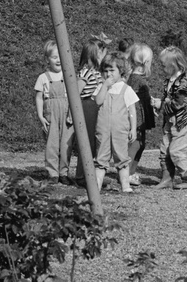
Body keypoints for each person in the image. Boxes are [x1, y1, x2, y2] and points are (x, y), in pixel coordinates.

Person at [155, 45, 187, 190]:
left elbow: (178, 103)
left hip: (184, 121)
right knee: (165, 149)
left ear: (173, 65)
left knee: (177, 151)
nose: (161, 67)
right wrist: (159, 106)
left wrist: (161, 104)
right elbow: (167, 97)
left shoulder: (183, 82)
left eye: (163, 65)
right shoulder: (169, 80)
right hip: (171, 120)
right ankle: (167, 178)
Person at [93, 54, 139, 194]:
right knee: (101, 158)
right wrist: (105, 86)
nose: (108, 74)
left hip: (120, 130)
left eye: (112, 70)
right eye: (106, 71)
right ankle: (96, 187)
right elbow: (98, 101)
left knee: (122, 158)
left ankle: (125, 185)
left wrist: (134, 129)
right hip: (103, 130)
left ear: (120, 71)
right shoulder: (102, 87)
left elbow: (132, 111)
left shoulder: (126, 89)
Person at [68, 37, 108, 184]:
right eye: (103, 54)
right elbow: (75, 94)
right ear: (96, 54)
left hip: (94, 107)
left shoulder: (97, 72)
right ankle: (81, 176)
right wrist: (71, 113)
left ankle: (90, 175)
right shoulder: (86, 72)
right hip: (86, 107)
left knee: (94, 142)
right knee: (87, 142)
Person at [34, 39, 72, 184]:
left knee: (66, 144)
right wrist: (40, 116)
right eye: (54, 57)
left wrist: (72, 115)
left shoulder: (68, 76)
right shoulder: (43, 78)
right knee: (52, 144)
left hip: (67, 114)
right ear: (47, 59)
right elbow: (39, 98)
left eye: (60, 57)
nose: (58, 60)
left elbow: (74, 97)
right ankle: (52, 173)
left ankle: (64, 172)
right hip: (51, 114)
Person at [127, 43, 156, 185]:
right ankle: (126, 172)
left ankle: (131, 171)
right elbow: (129, 98)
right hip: (136, 118)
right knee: (136, 144)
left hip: (141, 115)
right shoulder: (135, 79)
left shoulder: (139, 78)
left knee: (141, 144)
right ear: (147, 63)